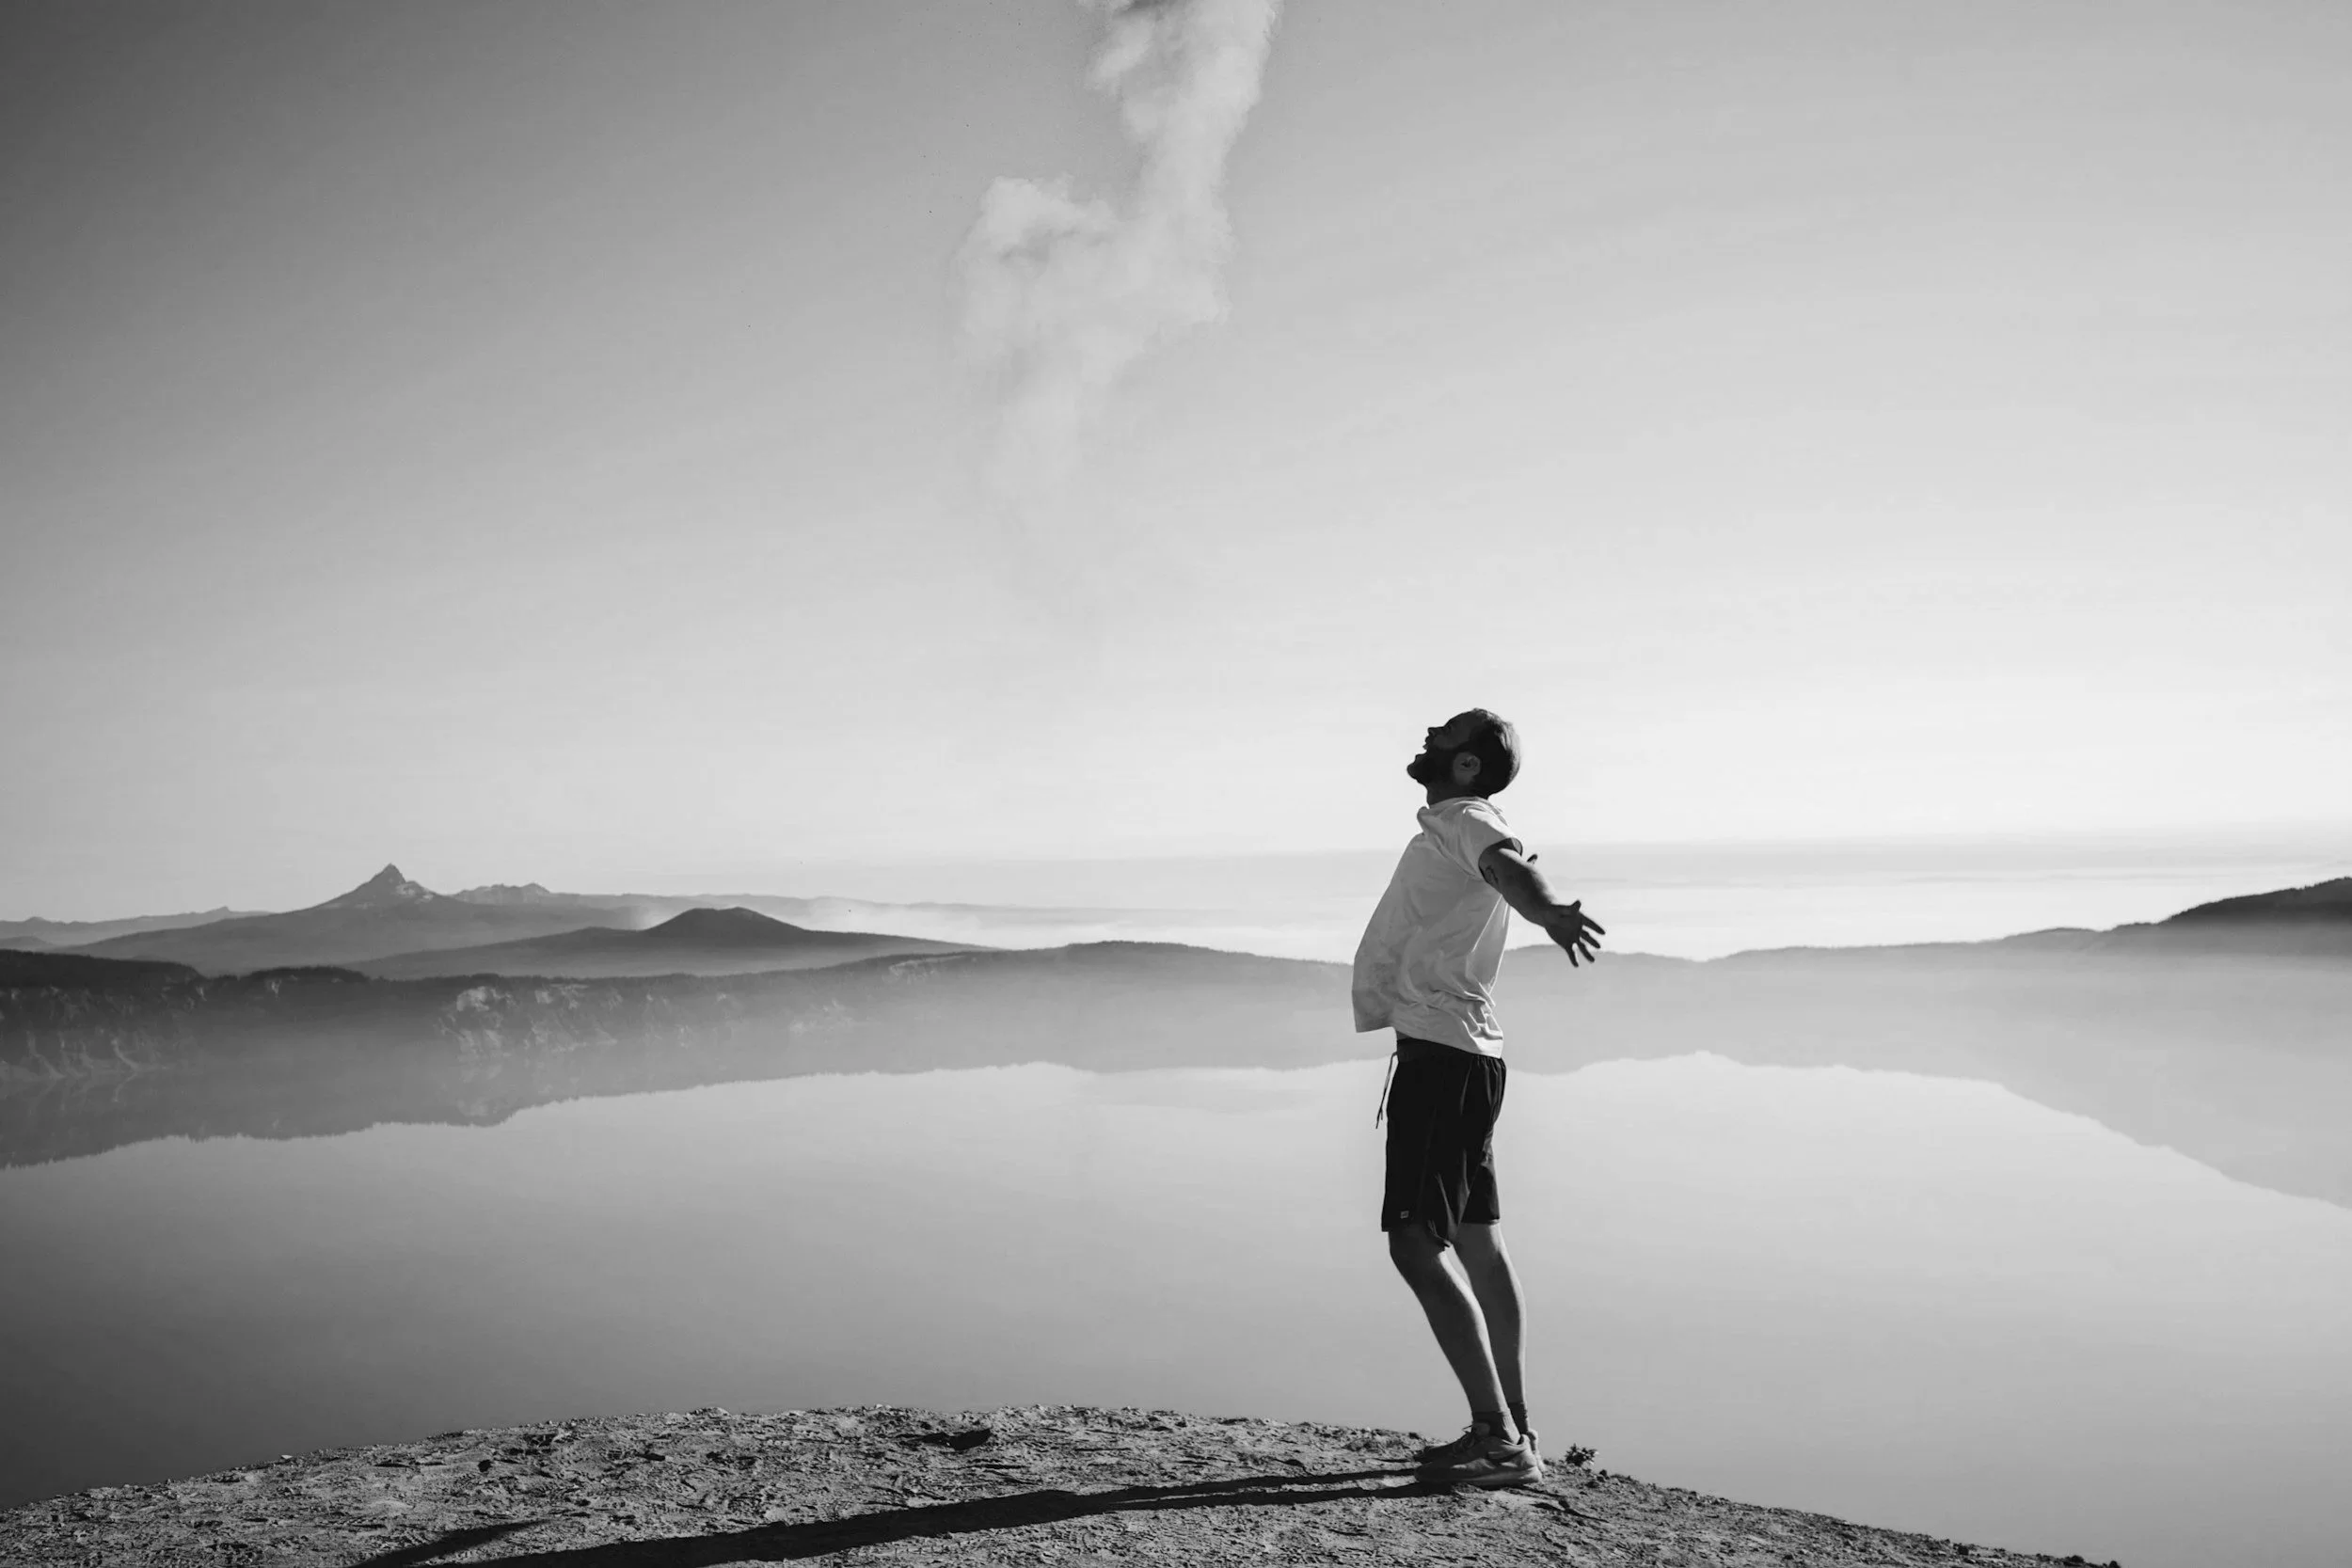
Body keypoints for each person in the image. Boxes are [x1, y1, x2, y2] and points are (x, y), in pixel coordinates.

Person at [1352, 708, 1603, 1489]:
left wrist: (1549, 910)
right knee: (1474, 1238)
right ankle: (1512, 1424)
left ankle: (1499, 1442)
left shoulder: (1467, 817)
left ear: (1466, 766)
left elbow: (1508, 867)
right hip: (1463, 1053)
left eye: (1445, 733)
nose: (1427, 735)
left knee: (1413, 1242)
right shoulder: (1455, 819)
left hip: (1443, 1057)